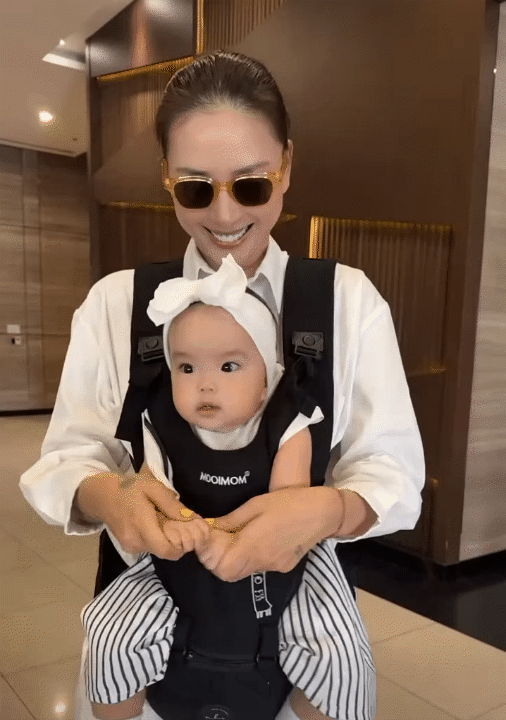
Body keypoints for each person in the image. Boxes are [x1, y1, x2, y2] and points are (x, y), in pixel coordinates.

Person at [19, 50, 425, 720]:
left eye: (253, 184)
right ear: (166, 176)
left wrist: (326, 510)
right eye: (195, 188)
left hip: (293, 629)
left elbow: (393, 473)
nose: (226, 212)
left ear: (287, 165)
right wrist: (115, 497)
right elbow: (69, 457)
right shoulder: (118, 304)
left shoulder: (346, 302)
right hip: (153, 628)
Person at [83, 254, 374, 720]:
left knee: (338, 651)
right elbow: (156, 494)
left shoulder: (289, 424)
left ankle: (309, 708)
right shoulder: (159, 421)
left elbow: (287, 512)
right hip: (175, 564)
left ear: (266, 382)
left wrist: (229, 537)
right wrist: (174, 526)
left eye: (229, 367)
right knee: (108, 635)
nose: (205, 385)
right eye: (187, 369)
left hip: (284, 564)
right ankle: (123, 710)